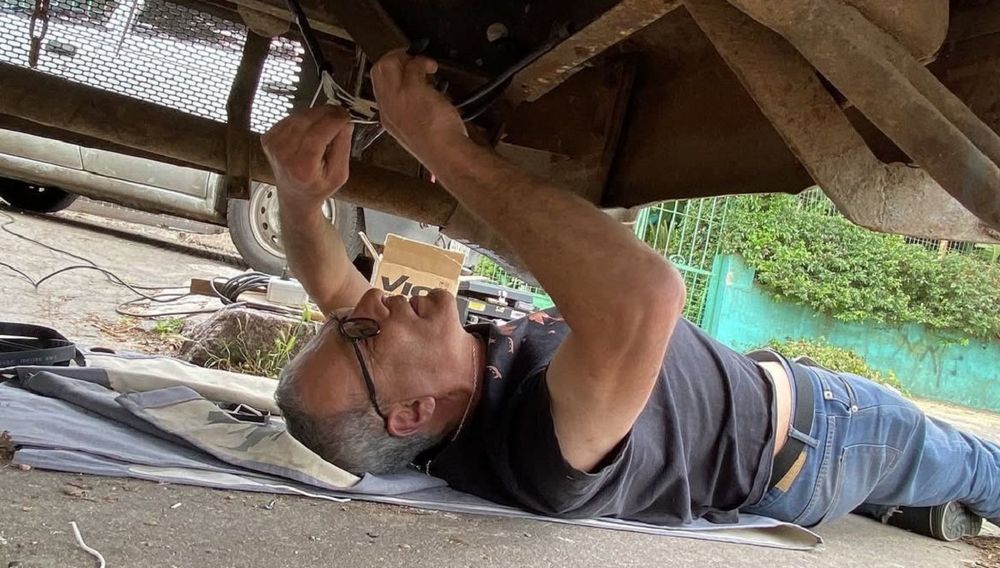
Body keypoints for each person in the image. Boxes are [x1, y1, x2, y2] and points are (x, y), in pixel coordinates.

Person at [261, 49, 1000, 541]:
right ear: (413, 412)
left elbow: (329, 282)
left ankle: (923, 509)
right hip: (828, 435)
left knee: (932, 487)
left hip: (780, 429)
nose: (368, 302)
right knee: (976, 463)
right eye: (359, 333)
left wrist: (298, 198)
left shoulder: (445, 398)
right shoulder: (535, 446)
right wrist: (444, 149)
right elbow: (647, 295)